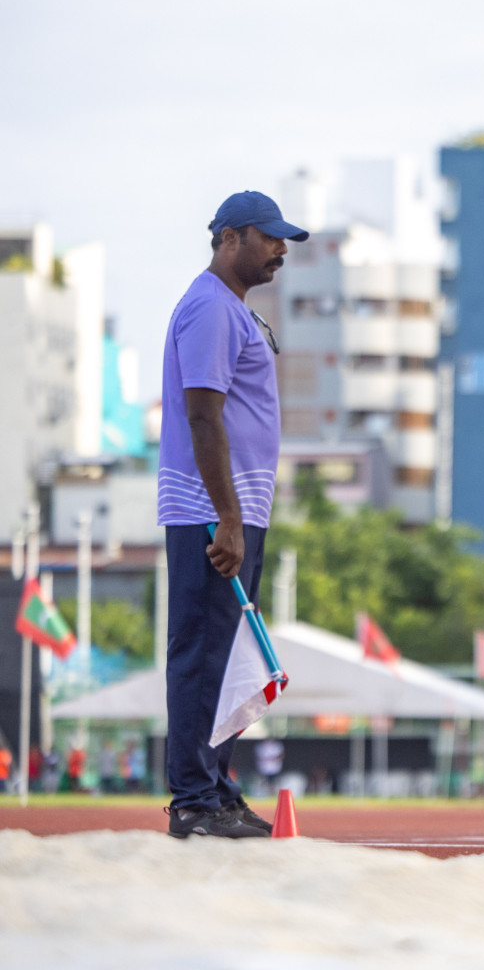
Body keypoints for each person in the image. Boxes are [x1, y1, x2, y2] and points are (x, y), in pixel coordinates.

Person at [160, 190, 307, 839]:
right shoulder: (210, 308)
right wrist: (225, 516)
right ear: (231, 238)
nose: (281, 251)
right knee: (202, 651)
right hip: (209, 513)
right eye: (270, 237)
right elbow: (202, 413)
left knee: (228, 654)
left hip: (235, 511)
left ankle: (215, 789)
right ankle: (193, 798)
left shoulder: (234, 310)